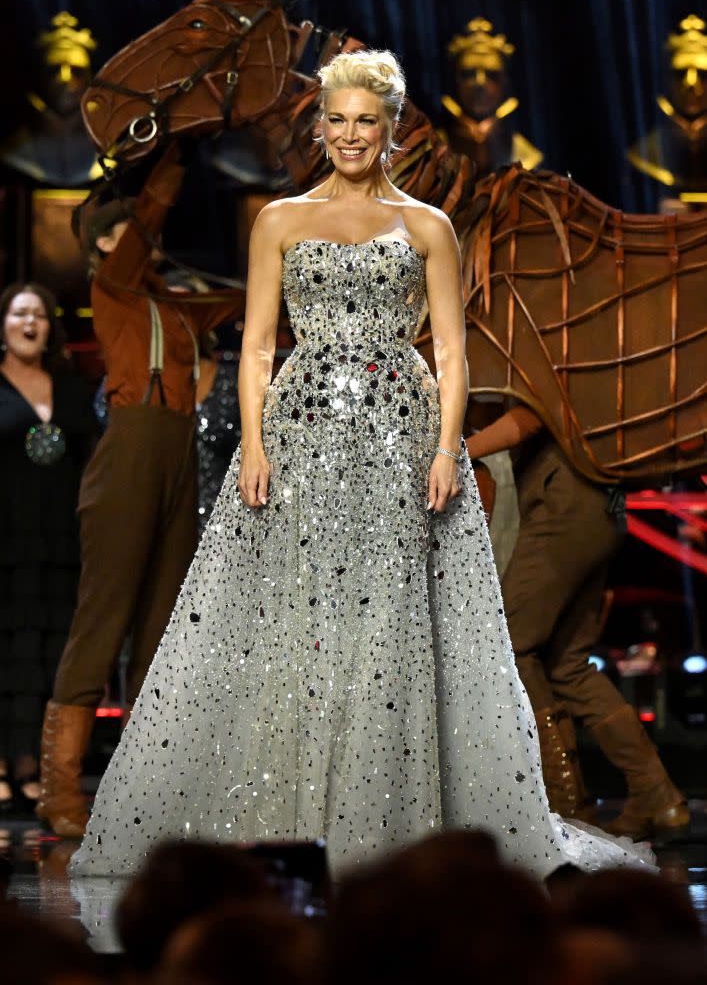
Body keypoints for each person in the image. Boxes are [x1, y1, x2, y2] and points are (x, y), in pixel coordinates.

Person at [71, 50, 652, 879]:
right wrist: (257, 444)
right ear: (320, 128)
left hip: (399, 437)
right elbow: (259, 346)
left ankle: (394, 816)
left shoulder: (426, 227)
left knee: (394, 626)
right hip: (303, 433)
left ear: (389, 130)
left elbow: (450, 350)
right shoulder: (279, 219)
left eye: (365, 122)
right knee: (295, 618)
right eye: (336, 120)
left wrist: (448, 447)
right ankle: (292, 808)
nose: (349, 135)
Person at [37, 141, 244, 838]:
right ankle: (60, 790)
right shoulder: (111, 289)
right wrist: (170, 171)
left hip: (178, 458)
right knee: (104, 622)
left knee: (162, 626)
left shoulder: (178, 308)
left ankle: (147, 785)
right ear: (102, 245)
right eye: (125, 231)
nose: (141, 238)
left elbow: (244, 300)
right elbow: (143, 230)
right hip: (127, 453)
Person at [464, 404, 690, 839]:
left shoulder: (547, 342)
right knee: (568, 663)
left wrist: (454, 450)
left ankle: (570, 806)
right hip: (598, 504)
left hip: (567, 498)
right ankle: (656, 794)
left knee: (512, 643)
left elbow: (532, 414)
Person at [0, 282, 96, 813]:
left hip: (59, 540)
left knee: (48, 653)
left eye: (37, 314)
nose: (29, 323)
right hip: (6, 540)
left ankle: (36, 766)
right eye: (18, 314)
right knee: (6, 649)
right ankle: (4, 762)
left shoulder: (70, 384)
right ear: (4, 324)